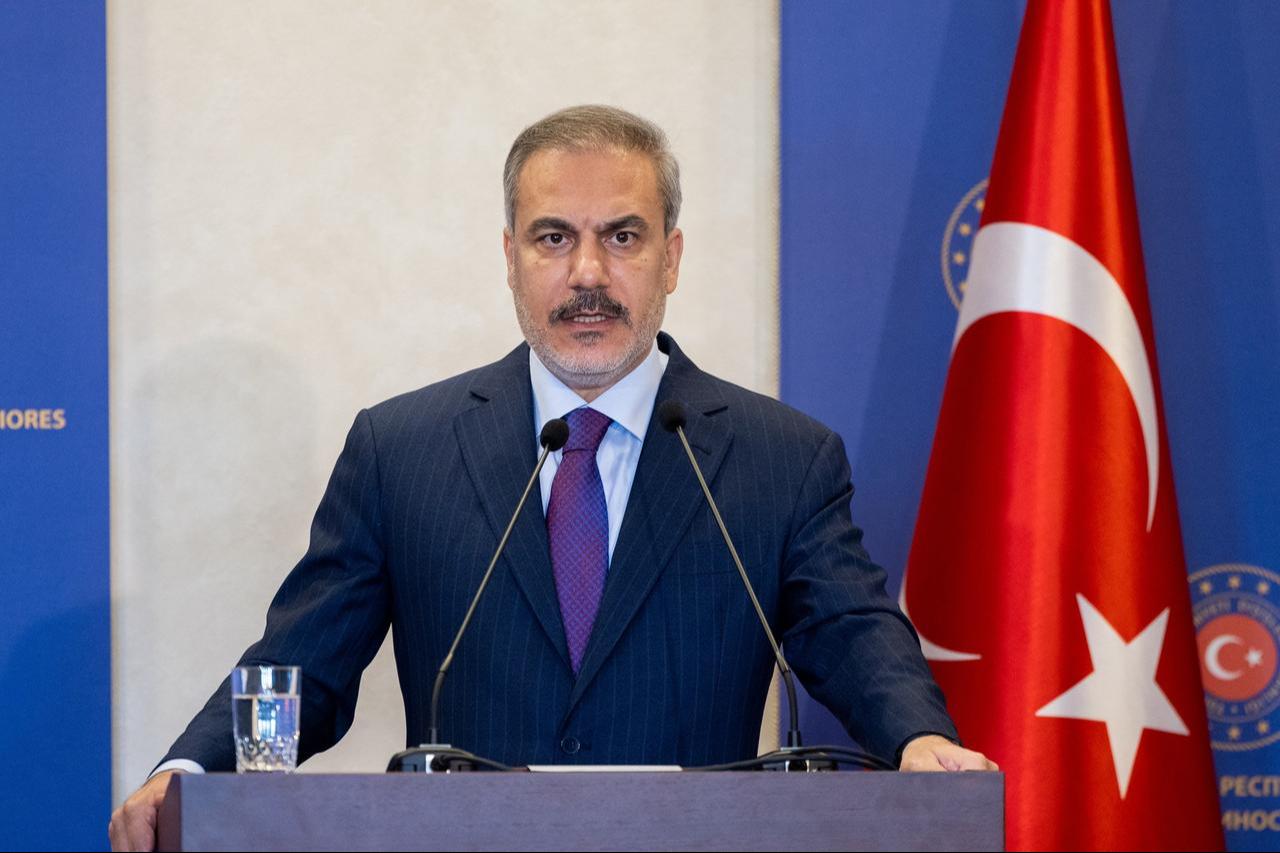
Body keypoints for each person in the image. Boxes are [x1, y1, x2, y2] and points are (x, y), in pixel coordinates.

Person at [109, 104, 994, 852]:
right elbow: (304, 663)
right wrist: (189, 774)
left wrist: (918, 738)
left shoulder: (779, 458)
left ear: (672, 257)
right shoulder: (401, 449)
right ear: (510, 256)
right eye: (553, 237)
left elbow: (850, 631)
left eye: (622, 236)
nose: (588, 275)